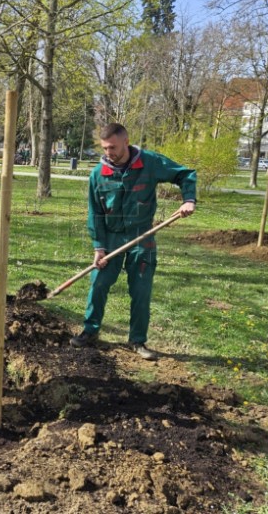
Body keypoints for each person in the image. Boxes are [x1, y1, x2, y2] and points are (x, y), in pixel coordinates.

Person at [70, 123, 196, 361]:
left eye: (113, 147)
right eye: (105, 148)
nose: (109, 153)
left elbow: (185, 173)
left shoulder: (149, 163)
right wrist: (98, 247)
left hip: (142, 237)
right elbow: (94, 213)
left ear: (126, 141)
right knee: (98, 284)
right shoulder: (99, 174)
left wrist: (188, 199)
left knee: (141, 289)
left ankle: (137, 340)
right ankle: (90, 331)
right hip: (111, 238)